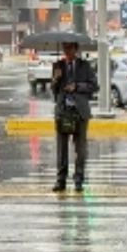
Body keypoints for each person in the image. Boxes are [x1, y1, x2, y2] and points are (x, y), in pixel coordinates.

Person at [51, 41, 96, 193]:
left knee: (81, 149)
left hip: (80, 112)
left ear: (76, 49)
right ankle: (61, 180)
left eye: (69, 48)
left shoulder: (85, 65)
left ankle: (78, 179)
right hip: (63, 111)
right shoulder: (58, 65)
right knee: (61, 149)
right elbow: (54, 91)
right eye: (64, 48)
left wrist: (77, 86)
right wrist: (56, 79)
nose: (66, 51)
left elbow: (94, 86)